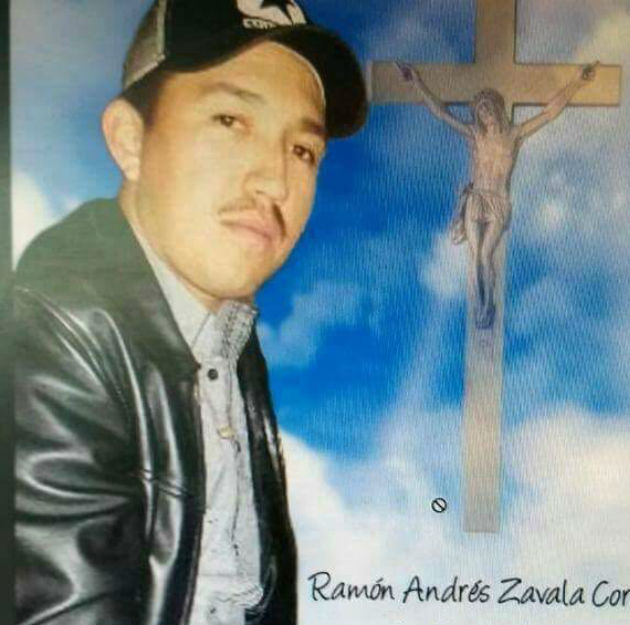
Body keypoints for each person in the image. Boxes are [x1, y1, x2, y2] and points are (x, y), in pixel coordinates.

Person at [13, 1, 367, 624]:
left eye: (303, 149)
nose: (275, 182)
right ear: (130, 140)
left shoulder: (224, 339)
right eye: (231, 120)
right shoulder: (55, 328)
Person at [397, 61, 597, 329]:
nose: (485, 113)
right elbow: (443, 114)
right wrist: (417, 84)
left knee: (484, 255)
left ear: (497, 108)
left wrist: (577, 83)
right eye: (480, 110)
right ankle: (482, 305)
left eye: (488, 107)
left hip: (498, 202)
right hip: (477, 199)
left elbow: (549, 113)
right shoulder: (474, 135)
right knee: (476, 257)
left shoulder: (514, 134)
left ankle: (487, 303)